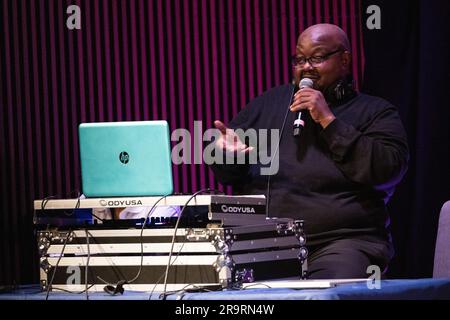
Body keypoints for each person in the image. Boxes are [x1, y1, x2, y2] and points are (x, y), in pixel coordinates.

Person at [209, 24, 409, 279]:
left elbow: (387, 169)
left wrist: (328, 120)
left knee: (324, 293)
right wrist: (227, 154)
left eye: (316, 58)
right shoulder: (271, 102)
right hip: (266, 243)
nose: (306, 67)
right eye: (300, 59)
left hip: (344, 242)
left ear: (344, 59)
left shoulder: (375, 111)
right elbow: (228, 174)